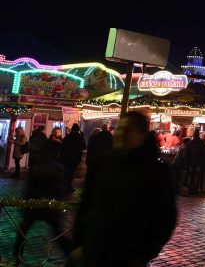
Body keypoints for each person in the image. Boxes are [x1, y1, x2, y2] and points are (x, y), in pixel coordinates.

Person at [71, 111, 177, 267]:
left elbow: (166, 218)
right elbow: (87, 203)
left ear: (142, 135)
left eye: (128, 130)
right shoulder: (103, 162)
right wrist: (79, 242)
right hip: (93, 249)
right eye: (120, 129)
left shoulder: (156, 171)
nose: (121, 134)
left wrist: (144, 255)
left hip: (128, 255)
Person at [13, 130, 71, 261]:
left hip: (43, 202)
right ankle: (17, 255)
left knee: (25, 229)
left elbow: (42, 183)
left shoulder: (45, 164)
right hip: (43, 203)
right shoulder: (49, 163)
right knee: (57, 232)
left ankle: (17, 255)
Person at [61, 123, 85, 191]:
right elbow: (84, 146)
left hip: (67, 156)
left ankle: (65, 184)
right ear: (78, 129)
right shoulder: (80, 137)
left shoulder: (67, 136)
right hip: (75, 157)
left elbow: (63, 146)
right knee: (72, 171)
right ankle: (68, 185)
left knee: (66, 170)